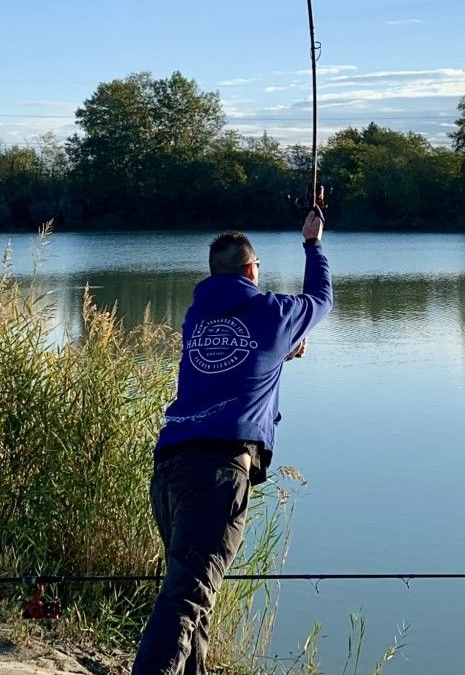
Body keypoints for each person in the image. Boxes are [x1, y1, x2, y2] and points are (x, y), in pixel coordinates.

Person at [132, 194, 331, 675]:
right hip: (218, 474)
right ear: (249, 272)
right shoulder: (272, 314)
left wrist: (279, 352)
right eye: (258, 266)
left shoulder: (197, 317)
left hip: (170, 469)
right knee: (187, 598)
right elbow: (321, 300)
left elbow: (233, 362)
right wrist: (312, 244)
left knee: (191, 597)